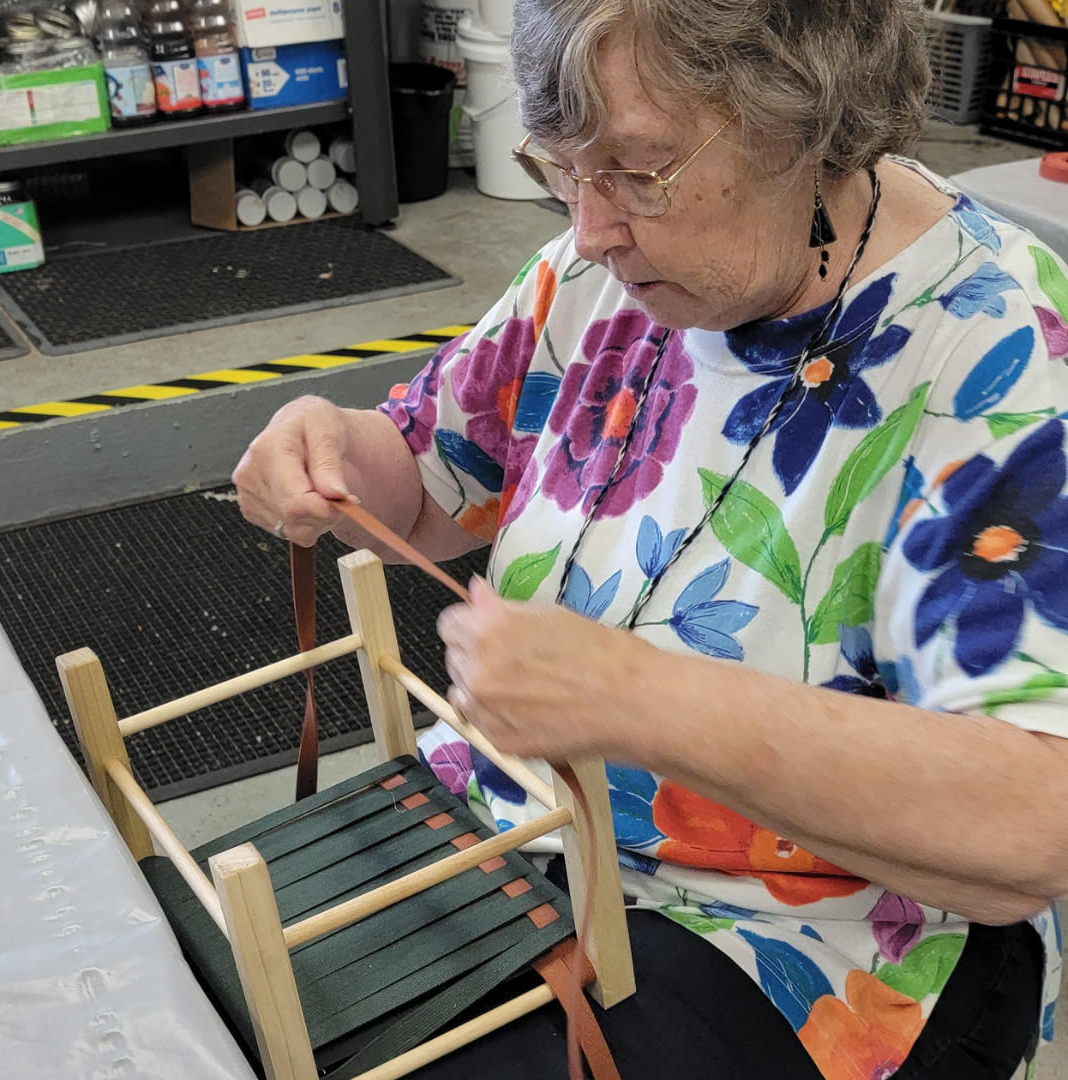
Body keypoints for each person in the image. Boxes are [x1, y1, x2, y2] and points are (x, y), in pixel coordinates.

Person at [233, 0, 1068, 1076]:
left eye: (641, 170)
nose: (589, 228)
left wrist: (643, 703)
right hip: (519, 832)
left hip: (806, 939)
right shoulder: (603, 273)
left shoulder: (999, 353)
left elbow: (1026, 829)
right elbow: (429, 477)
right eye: (565, 169)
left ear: (810, 121)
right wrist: (336, 450)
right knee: (224, 984)